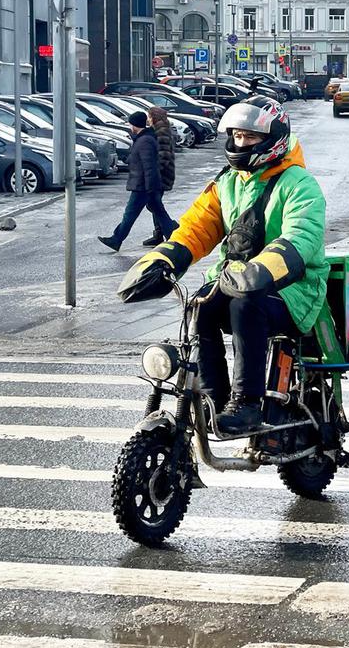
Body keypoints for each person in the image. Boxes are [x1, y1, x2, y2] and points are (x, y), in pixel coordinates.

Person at [117, 96, 329, 434]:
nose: (241, 143)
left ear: (274, 139)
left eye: (251, 137)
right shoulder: (228, 181)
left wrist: (260, 270)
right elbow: (196, 228)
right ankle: (215, 400)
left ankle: (246, 404)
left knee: (246, 305)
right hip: (233, 280)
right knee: (199, 306)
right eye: (237, 135)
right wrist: (161, 260)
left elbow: (301, 236)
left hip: (294, 290)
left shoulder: (299, 184)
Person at [98, 111, 177, 252]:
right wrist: (128, 159)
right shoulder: (143, 138)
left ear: (134, 125)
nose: (129, 127)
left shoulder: (145, 140)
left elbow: (149, 166)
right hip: (146, 185)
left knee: (130, 214)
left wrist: (150, 187)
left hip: (143, 186)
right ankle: (174, 236)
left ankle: (116, 239)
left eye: (130, 124)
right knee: (159, 211)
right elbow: (140, 159)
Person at [142, 106, 177, 248]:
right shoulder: (160, 129)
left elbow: (164, 155)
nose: (148, 119)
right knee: (153, 203)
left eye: (149, 116)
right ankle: (159, 233)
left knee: (153, 203)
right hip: (162, 174)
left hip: (160, 175)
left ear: (154, 117)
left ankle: (171, 229)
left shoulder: (160, 131)